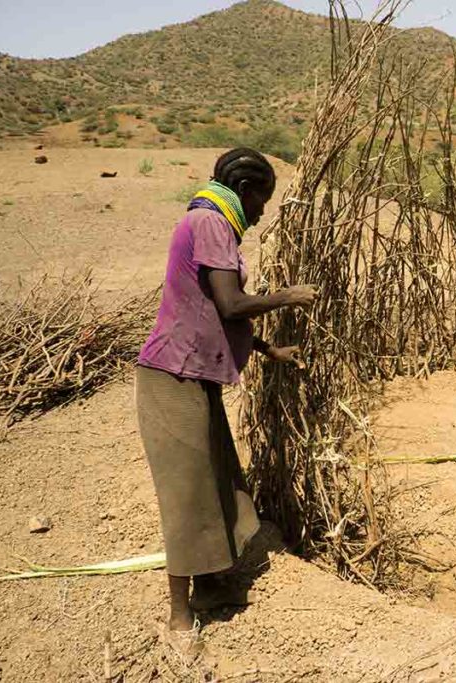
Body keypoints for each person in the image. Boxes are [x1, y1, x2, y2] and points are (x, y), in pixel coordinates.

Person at [135, 148, 316, 645]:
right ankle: (179, 619)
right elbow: (231, 304)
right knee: (187, 491)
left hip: (194, 374)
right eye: (262, 200)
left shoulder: (210, 220)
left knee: (218, 479)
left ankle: (213, 586)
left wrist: (267, 349)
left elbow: (206, 312)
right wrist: (287, 296)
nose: (261, 213)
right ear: (245, 189)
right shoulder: (211, 222)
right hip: (171, 377)